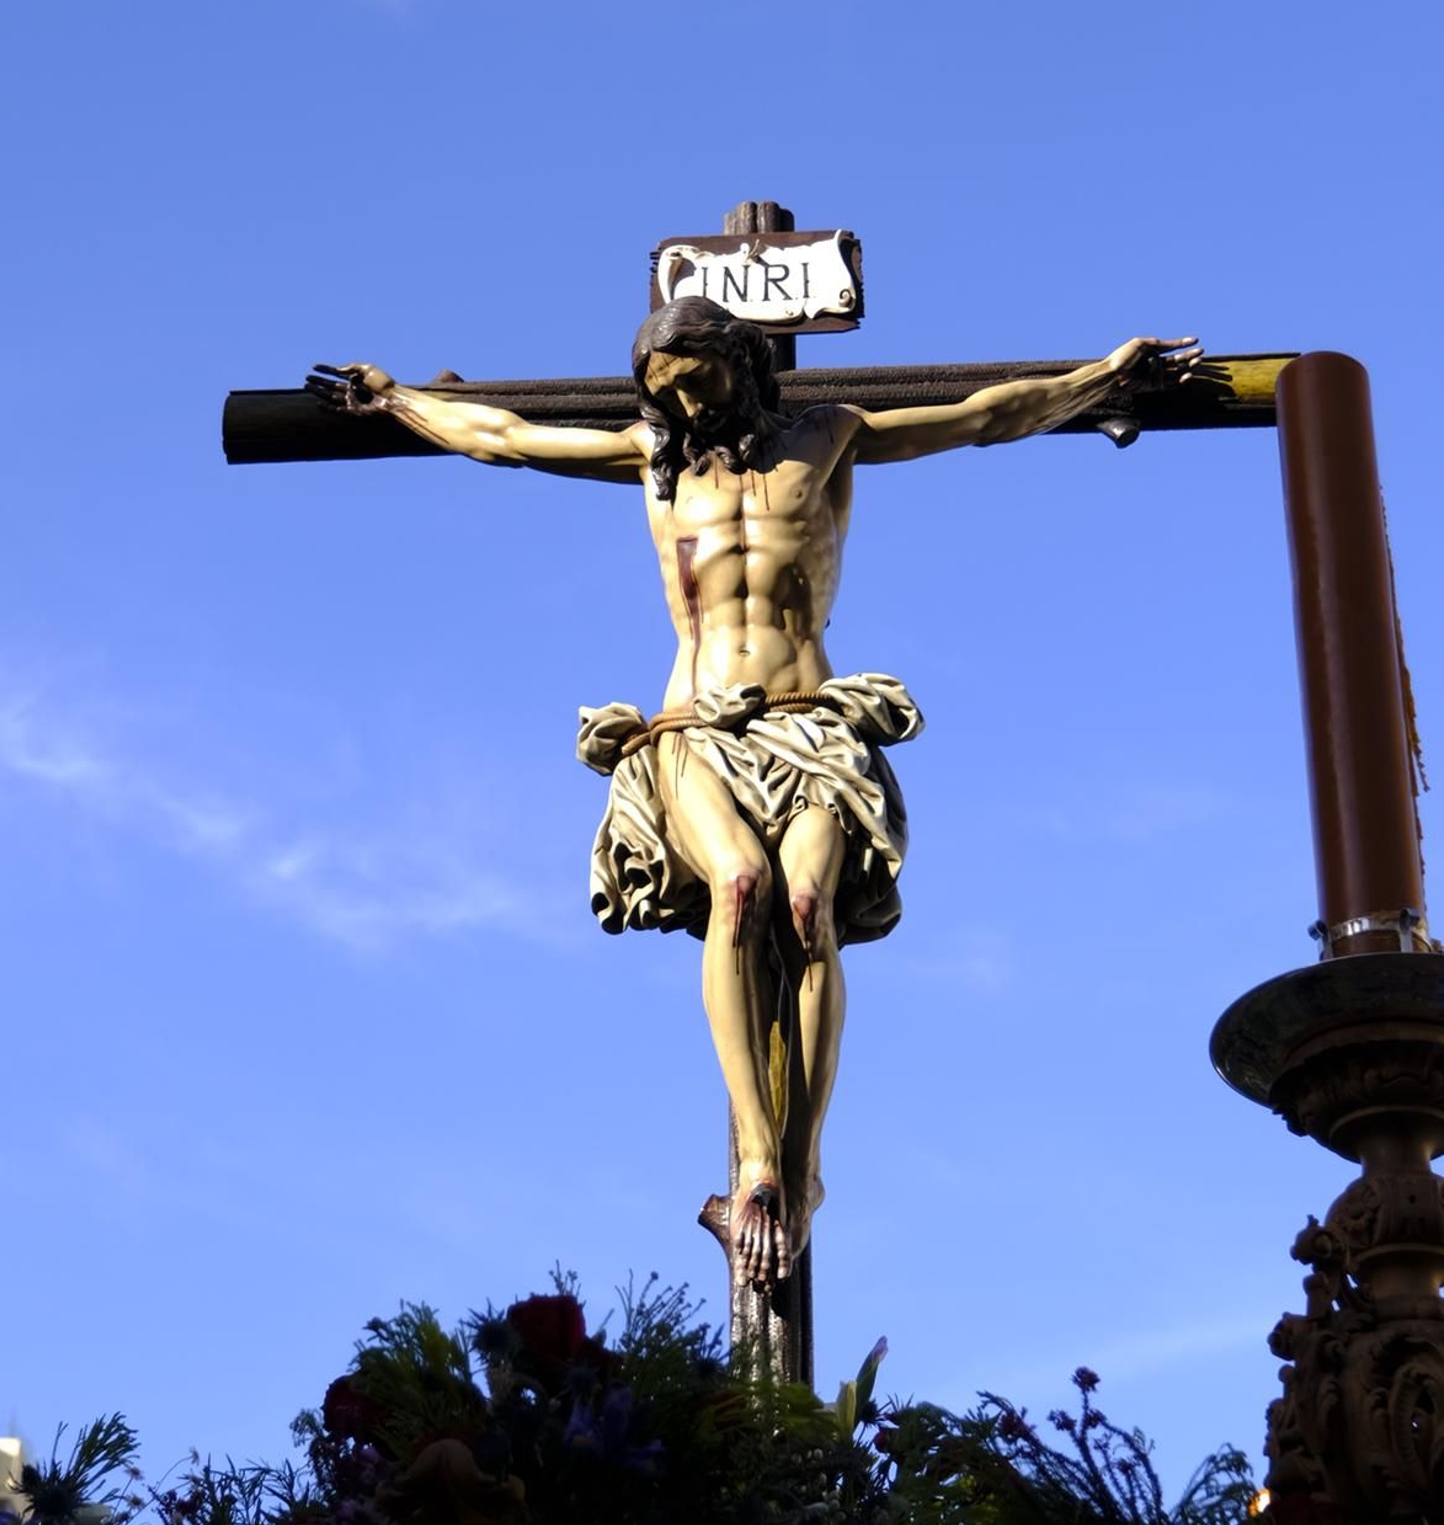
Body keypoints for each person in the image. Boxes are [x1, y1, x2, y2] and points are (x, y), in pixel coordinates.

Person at [309, 305, 1200, 1296]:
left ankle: (803, 1163)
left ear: (741, 363)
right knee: (737, 886)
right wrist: (394, 397)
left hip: (807, 722)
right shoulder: (657, 461)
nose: (685, 401)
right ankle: (756, 1165)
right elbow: (506, 436)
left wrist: (1103, 376)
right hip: (691, 729)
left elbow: (985, 414)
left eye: (700, 379)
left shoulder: (828, 437)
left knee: (809, 911)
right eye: (668, 387)